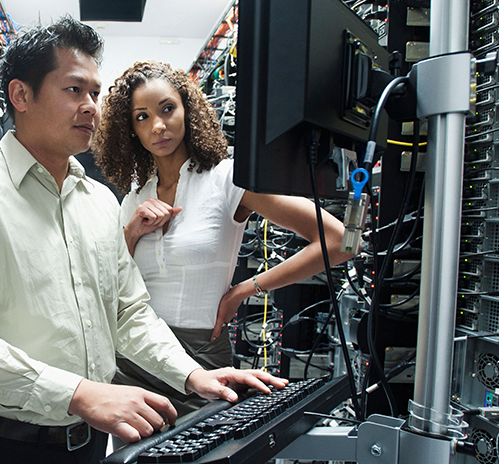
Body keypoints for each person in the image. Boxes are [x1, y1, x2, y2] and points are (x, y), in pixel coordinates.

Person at [0, 17, 285, 464]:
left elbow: (129, 313)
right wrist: (81, 393)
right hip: (6, 459)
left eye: (94, 91)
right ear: (21, 94)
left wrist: (191, 376)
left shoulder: (98, 203)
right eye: (73, 90)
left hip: (88, 453)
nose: (91, 105)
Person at [93, 60, 353, 416]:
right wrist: (133, 230)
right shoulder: (136, 196)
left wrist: (248, 289)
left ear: (188, 110)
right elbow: (111, 280)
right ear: (130, 130)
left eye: (168, 109)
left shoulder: (228, 179)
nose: (158, 125)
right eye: (142, 117)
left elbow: (337, 241)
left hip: (203, 355)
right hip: (136, 357)